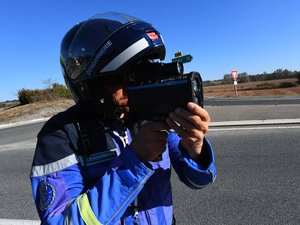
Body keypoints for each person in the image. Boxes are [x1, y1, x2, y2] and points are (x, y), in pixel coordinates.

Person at [30, 12, 216, 225]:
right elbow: (62, 221)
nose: (130, 86)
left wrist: (196, 148)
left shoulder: (149, 118)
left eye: (135, 75)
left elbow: (200, 181)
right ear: (89, 85)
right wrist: (135, 160)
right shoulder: (59, 135)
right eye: (116, 77)